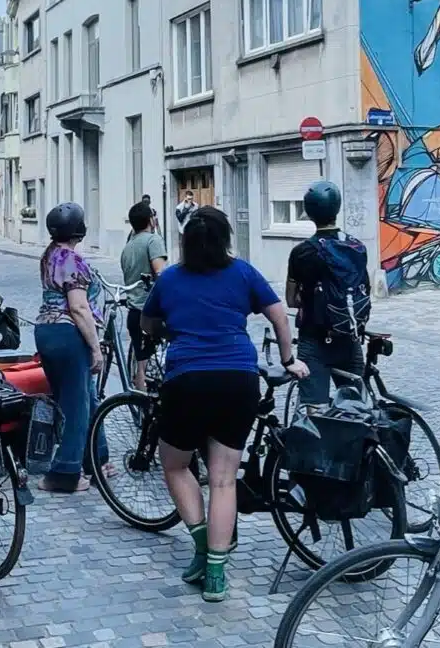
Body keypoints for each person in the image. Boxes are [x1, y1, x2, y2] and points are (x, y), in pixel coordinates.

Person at [141, 206, 309, 603]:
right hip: (238, 380)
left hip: (187, 381)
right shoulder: (243, 272)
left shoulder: (170, 279)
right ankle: (216, 575)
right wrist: (288, 359)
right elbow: (280, 317)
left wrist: (170, 329)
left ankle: (201, 545)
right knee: (223, 479)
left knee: (175, 465)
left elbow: (148, 324)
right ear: (225, 238)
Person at [35, 202, 111, 493]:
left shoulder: (50, 254)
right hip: (68, 334)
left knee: (87, 398)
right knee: (76, 406)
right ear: (79, 229)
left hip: (47, 331)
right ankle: (63, 472)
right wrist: (95, 347)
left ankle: (97, 459)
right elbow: (78, 307)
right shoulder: (71, 259)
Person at [286, 180, 371, 405]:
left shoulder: (302, 252)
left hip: (314, 341)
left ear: (308, 212)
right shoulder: (357, 247)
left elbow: (291, 300)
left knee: (314, 410)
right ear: (337, 208)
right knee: (355, 409)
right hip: (349, 338)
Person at [121, 201, 167, 391]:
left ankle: (139, 404)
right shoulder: (153, 241)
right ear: (150, 220)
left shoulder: (128, 246)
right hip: (150, 311)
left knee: (141, 362)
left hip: (134, 311)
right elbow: (161, 274)